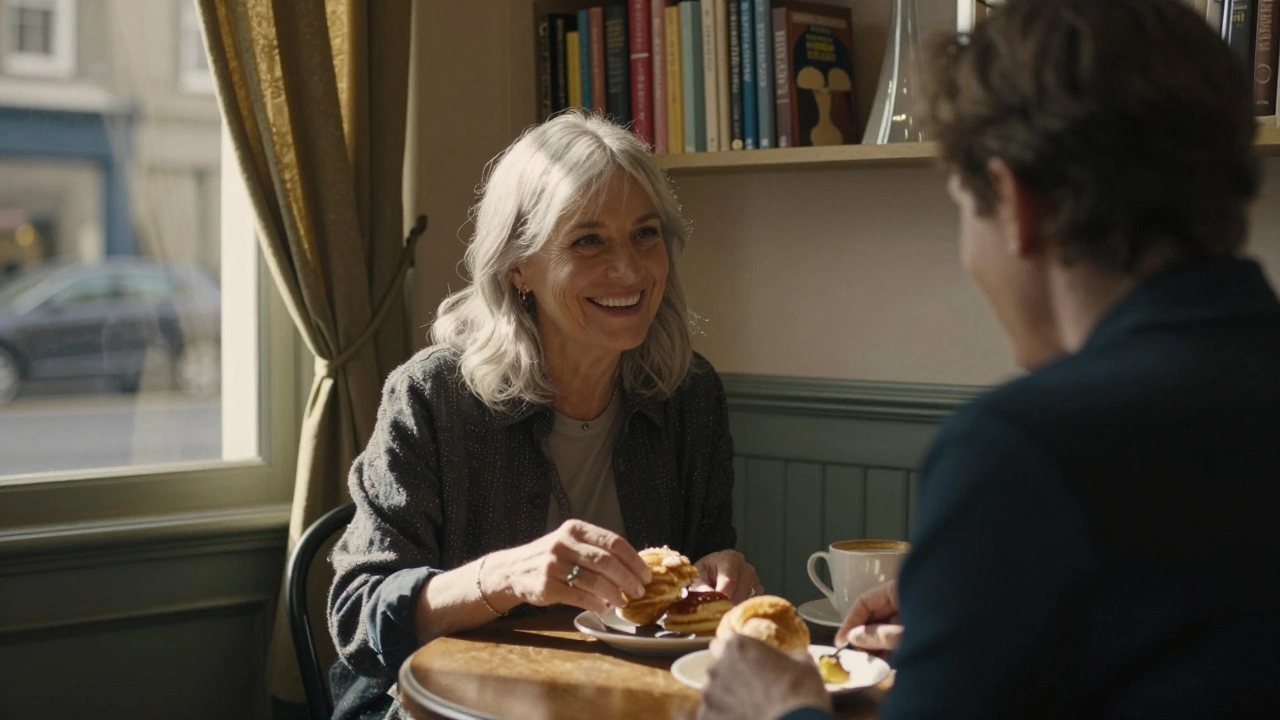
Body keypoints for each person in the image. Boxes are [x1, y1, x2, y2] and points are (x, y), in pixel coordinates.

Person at [701, 0, 1280, 718]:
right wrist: (987, 603)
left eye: (961, 206)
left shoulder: (1022, 450)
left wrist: (781, 706)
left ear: (1015, 201)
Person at [327, 111, 761, 720]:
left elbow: (699, 582)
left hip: (623, 703)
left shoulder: (690, 396)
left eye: (645, 233)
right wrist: (507, 576)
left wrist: (722, 575)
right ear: (518, 267)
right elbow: (357, 613)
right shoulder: (432, 396)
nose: (632, 271)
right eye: (588, 240)